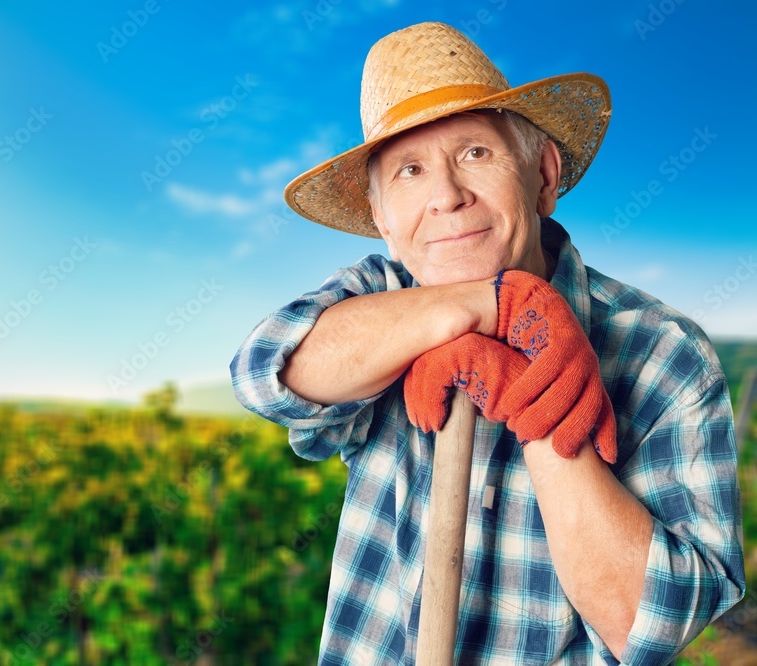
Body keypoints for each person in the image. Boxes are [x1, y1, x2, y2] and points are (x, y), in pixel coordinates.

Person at [230, 22, 745, 664]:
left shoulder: (664, 353)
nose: (446, 196)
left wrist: (533, 407)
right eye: (410, 171)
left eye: (475, 153)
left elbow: (648, 625)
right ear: (384, 223)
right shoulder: (376, 295)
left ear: (543, 175)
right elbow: (263, 374)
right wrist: (493, 305)